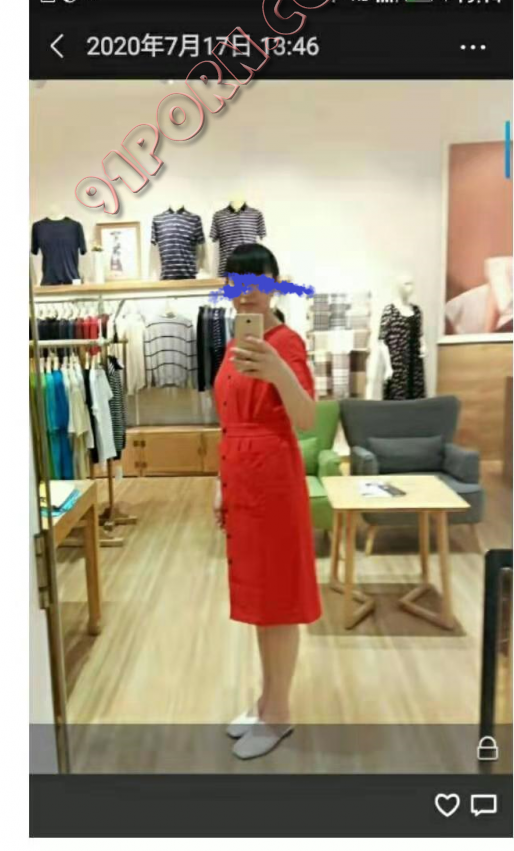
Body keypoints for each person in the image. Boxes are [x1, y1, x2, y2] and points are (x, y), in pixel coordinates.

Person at [213, 243, 321, 760]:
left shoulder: (286, 343)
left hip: (274, 482)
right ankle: (265, 703)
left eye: (256, 281)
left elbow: (307, 419)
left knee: (277, 602)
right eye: (235, 283)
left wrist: (279, 370)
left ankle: (278, 713)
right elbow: (228, 418)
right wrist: (221, 482)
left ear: (276, 283)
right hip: (242, 478)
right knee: (260, 601)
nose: (245, 293)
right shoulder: (235, 343)